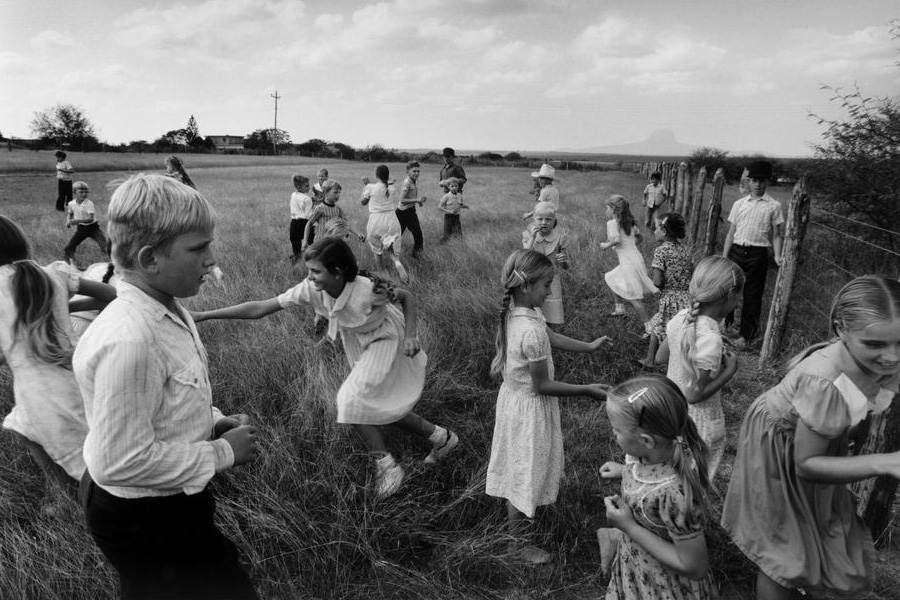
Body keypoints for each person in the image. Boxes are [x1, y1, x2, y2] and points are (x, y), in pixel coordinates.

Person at [73, 173, 260, 600]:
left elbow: (168, 398)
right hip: (143, 515)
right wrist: (223, 452)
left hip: (165, 501)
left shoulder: (167, 305)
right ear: (150, 258)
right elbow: (118, 462)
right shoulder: (131, 340)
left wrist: (210, 421)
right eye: (198, 248)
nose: (211, 260)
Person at [193, 237, 458, 500]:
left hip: (387, 339)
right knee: (375, 404)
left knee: (350, 400)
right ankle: (442, 438)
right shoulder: (311, 289)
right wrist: (205, 315)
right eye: (309, 271)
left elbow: (407, 297)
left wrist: (412, 335)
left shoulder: (367, 289)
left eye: (315, 271)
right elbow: (261, 308)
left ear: (337, 272)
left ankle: (387, 466)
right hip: (360, 341)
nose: (309, 277)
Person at [721, 276, 900, 600]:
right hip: (781, 446)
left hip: (821, 438)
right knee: (785, 547)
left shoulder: (885, 356)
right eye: (875, 345)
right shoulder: (825, 381)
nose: (891, 357)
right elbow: (806, 464)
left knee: (815, 523)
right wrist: (882, 462)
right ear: (841, 329)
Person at [486, 249, 610, 564]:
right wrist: (587, 390)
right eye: (546, 284)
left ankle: (520, 534)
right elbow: (543, 385)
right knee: (525, 474)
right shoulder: (529, 331)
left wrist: (588, 347)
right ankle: (519, 547)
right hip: (529, 408)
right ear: (525, 286)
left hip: (514, 403)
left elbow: (551, 336)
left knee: (520, 466)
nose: (551, 290)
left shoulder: (520, 313)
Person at [0, 215, 115, 513]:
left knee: (54, 437)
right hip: (74, 372)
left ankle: (80, 500)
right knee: (23, 427)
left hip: (37, 387)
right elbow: (114, 296)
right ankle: (70, 494)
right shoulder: (53, 273)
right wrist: (65, 305)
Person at [598, 375, 716, 599]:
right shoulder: (647, 459)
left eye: (617, 429)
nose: (613, 433)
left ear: (646, 441)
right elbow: (647, 475)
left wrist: (628, 527)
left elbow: (695, 566)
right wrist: (624, 471)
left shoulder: (674, 494)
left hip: (661, 587)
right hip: (635, 571)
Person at [656, 256, 743, 487]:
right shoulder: (710, 338)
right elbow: (694, 395)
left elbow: (660, 356)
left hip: (671, 413)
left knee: (670, 478)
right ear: (731, 295)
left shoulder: (682, 318)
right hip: (698, 425)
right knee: (693, 485)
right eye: (739, 296)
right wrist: (729, 371)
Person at [722, 160, 784, 349]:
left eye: (762, 181)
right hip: (737, 251)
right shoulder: (740, 204)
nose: (758, 184)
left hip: (757, 254)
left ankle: (745, 335)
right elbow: (731, 233)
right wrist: (725, 256)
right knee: (729, 289)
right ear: (748, 182)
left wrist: (777, 255)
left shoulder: (774, 206)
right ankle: (726, 325)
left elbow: (777, 234)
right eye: (754, 180)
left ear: (767, 182)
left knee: (752, 295)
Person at [640, 213, 693, 369]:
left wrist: (650, 286)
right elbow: (691, 272)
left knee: (664, 328)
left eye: (656, 228)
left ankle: (663, 362)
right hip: (686, 298)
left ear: (663, 231)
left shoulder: (661, 251)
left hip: (670, 298)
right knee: (662, 325)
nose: (654, 231)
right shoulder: (684, 251)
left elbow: (657, 281)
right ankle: (651, 360)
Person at [601, 194, 657, 323]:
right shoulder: (629, 223)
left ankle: (649, 328)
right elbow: (639, 238)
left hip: (628, 263)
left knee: (633, 297)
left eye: (607, 208)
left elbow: (617, 240)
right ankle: (619, 308)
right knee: (611, 277)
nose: (606, 210)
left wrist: (606, 245)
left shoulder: (612, 223)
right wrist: (628, 246)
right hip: (635, 259)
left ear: (613, 209)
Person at [522, 201, 569, 328]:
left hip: (551, 281)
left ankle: (552, 334)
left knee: (551, 312)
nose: (544, 222)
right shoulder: (528, 235)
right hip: (534, 279)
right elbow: (525, 255)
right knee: (535, 310)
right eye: (540, 219)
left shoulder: (559, 238)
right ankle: (536, 330)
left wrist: (563, 261)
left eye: (548, 219)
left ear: (554, 221)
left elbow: (566, 266)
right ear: (533, 219)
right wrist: (532, 237)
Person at [361, 164, 408, 283]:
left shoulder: (370, 187)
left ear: (376, 175)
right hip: (392, 220)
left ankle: (382, 274)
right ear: (387, 175)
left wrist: (366, 186)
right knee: (391, 247)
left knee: (377, 250)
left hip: (376, 220)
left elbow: (363, 202)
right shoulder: (391, 188)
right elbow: (385, 185)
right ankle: (397, 263)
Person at [302, 179, 363, 251]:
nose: (338, 195)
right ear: (325, 193)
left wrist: (358, 233)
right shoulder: (320, 208)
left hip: (334, 242)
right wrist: (305, 241)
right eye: (335, 192)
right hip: (321, 243)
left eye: (339, 193)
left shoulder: (337, 209)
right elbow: (309, 223)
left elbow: (347, 222)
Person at [64, 181, 109, 266]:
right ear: (74, 193)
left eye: (86, 192)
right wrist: (68, 222)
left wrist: (78, 221)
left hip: (93, 228)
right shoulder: (71, 203)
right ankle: (72, 265)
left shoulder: (89, 203)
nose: (84, 194)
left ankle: (113, 264)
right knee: (68, 248)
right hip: (81, 229)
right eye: (81, 192)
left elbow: (91, 219)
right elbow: (70, 214)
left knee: (105, 247)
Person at [396, 160, 427, 258]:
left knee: (417, 234)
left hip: (410, 211)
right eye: (414, 171)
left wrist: (418, 202)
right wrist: (417, 200)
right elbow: (402, 199)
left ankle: (416, 256)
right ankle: (386, 253)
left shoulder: (414, 181)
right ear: (407, 171)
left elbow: (410, 198)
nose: (417, 173)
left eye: (418, 171)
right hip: (403, 213)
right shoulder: (407, 183)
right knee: (396, 236)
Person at [289, 174, 314, 263]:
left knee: (295, 243)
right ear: (299, 187)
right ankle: (311, 260)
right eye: (307, 186)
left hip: (294, 223)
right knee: (311, 242)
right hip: (305, 222)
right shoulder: (307, 199)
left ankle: (296, 260)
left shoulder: (293, 195)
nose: (309, 187)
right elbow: (309, 215)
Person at [438, 177, 468, 242]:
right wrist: (449, 211)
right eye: (452, 186)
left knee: (459, 234)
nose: (454, 187)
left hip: (456, 217)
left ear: (458, 187)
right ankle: (443, 245)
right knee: (447, 235)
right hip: (448, 217)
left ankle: (458, 246)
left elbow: (460, 204)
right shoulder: (446, 196)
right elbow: (439, 207)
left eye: (456, 186)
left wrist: (465, 206)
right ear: (448, 186)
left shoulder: (459, 195)